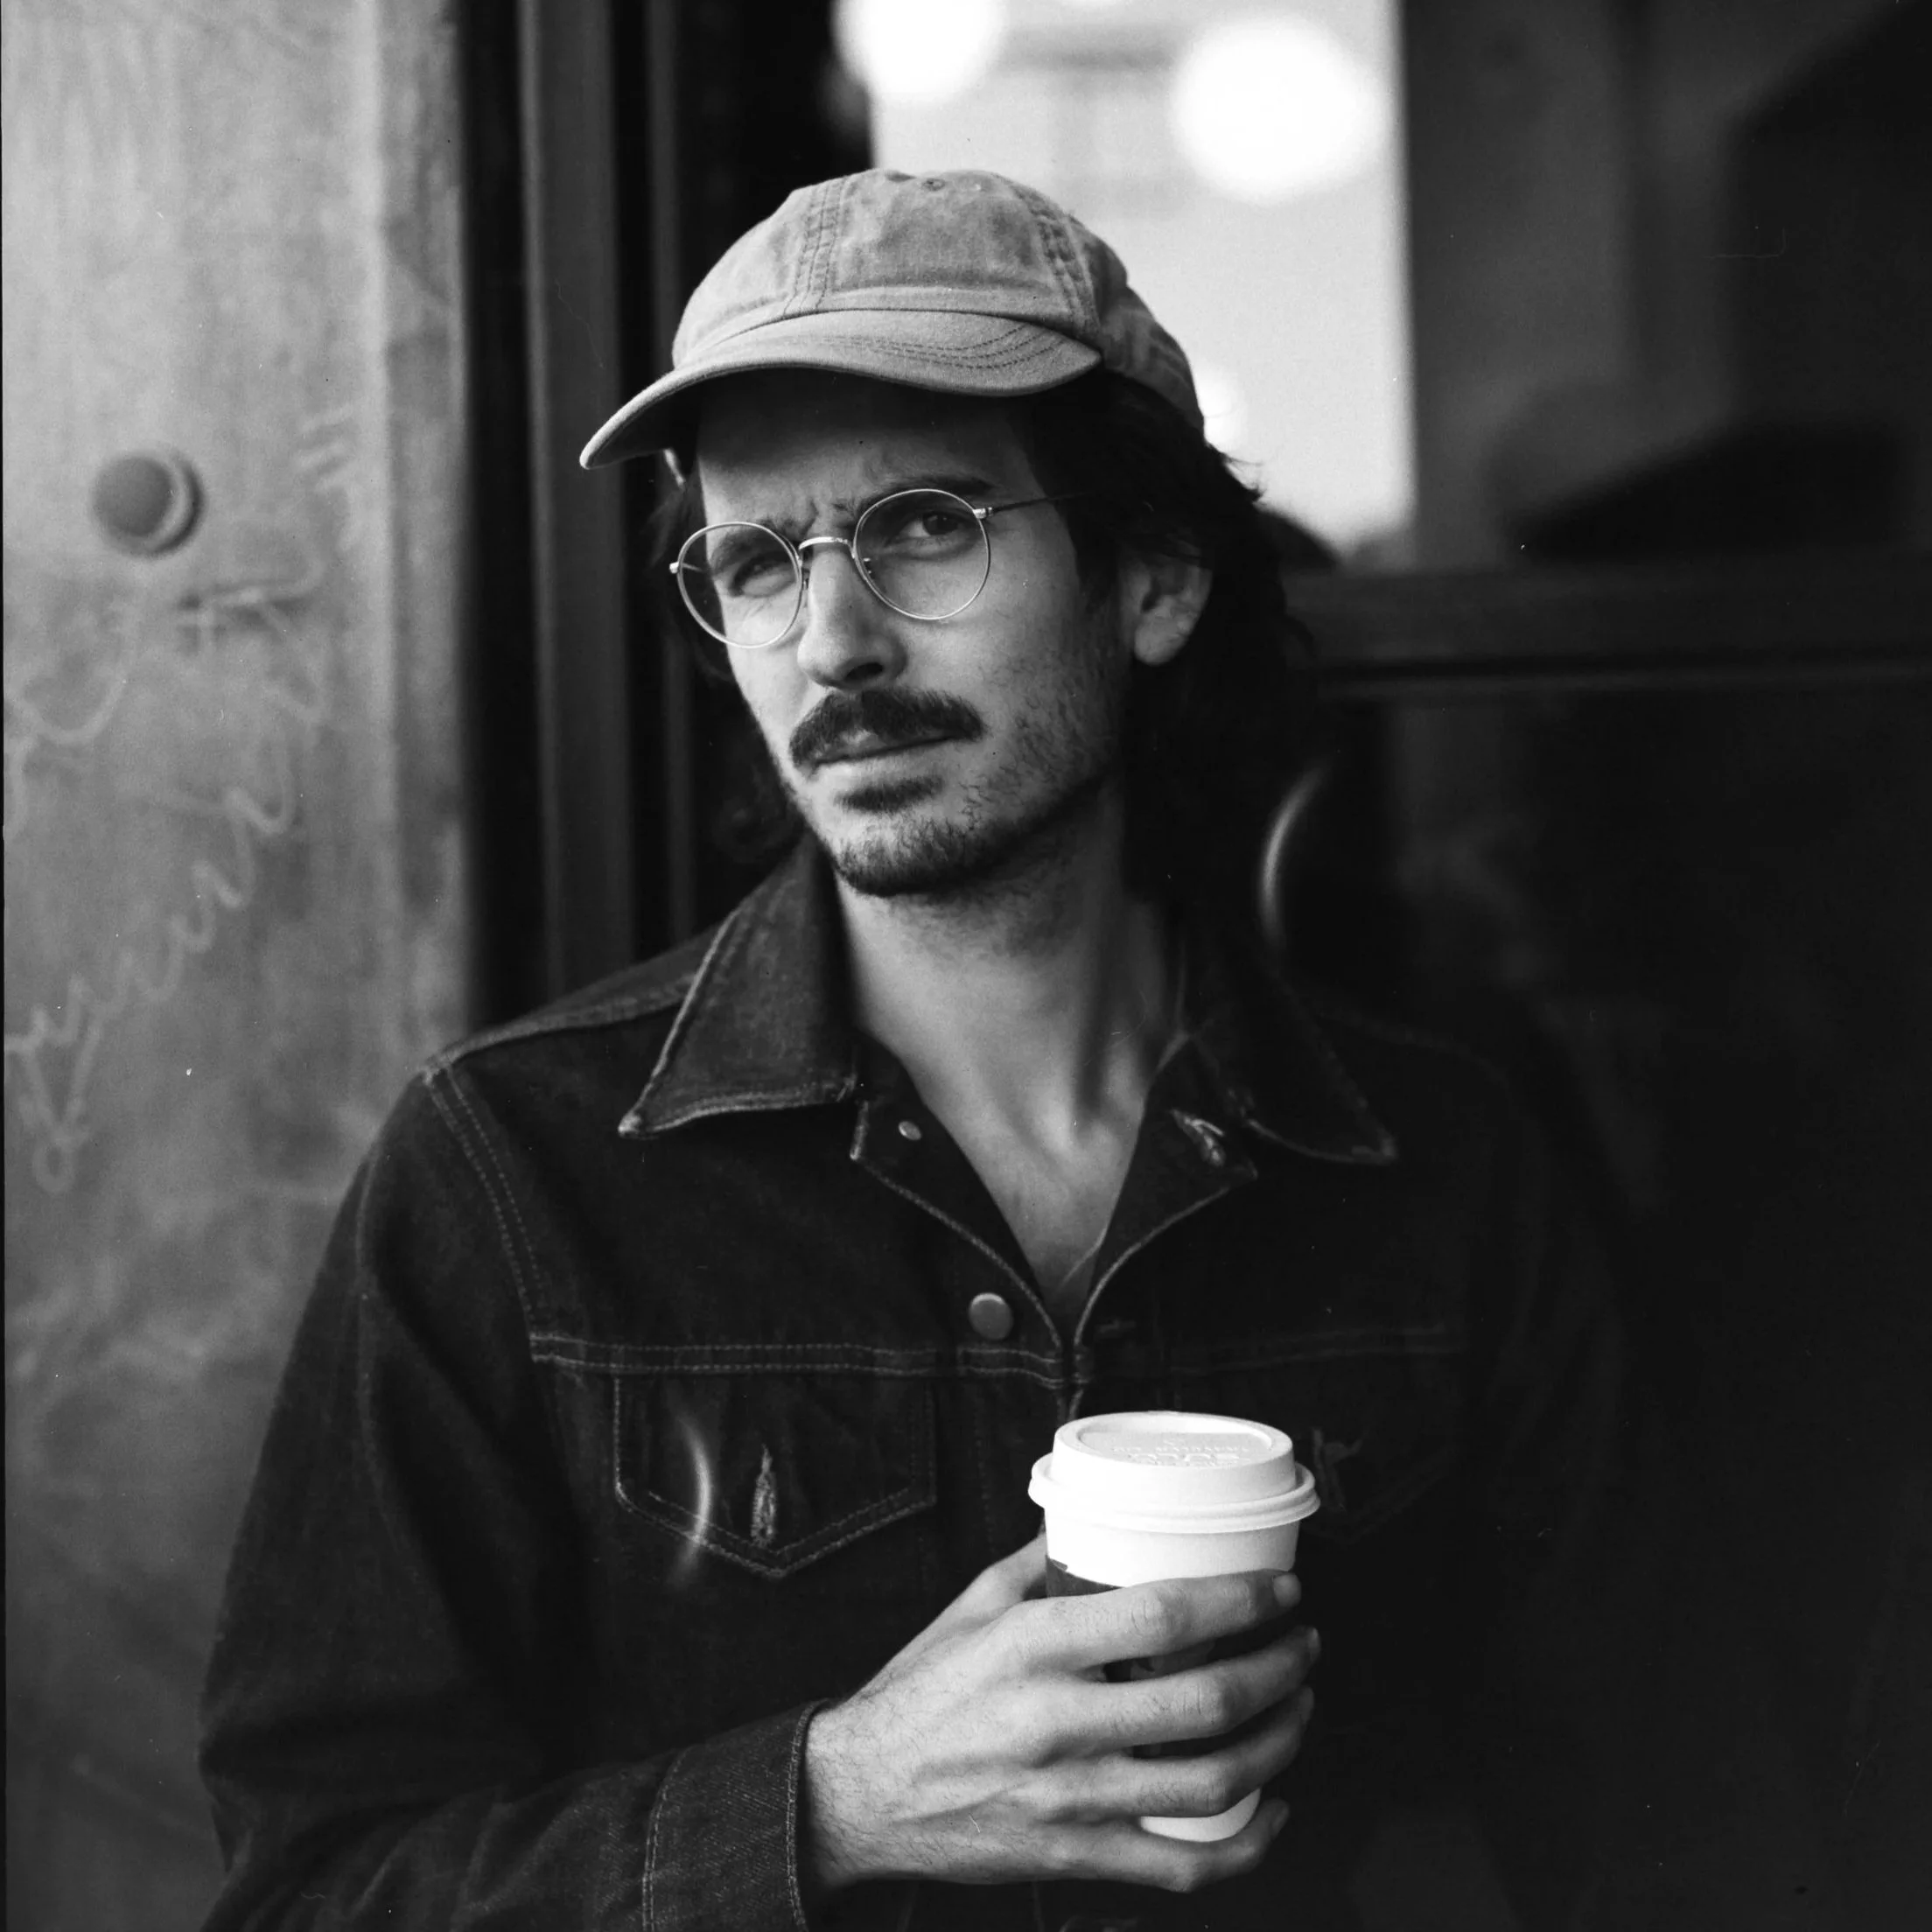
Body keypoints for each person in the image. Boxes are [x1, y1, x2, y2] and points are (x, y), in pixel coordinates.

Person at [199, 169, 1628, 1931]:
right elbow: (308, 1895)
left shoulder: (1440, 1163)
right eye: (753, 560)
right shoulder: (513, 1171)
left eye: (928, 523)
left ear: (1157, 578)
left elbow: (1670, 1812)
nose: (835, 641)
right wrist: (831, 1805)